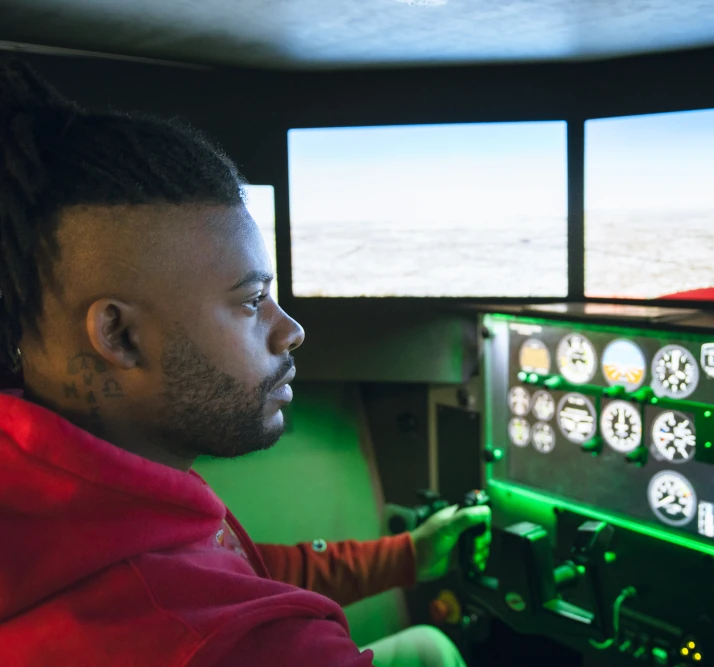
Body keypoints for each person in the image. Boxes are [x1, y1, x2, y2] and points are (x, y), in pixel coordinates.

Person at [0, 59, 490, 667]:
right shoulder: (256, 647)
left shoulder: (47, 469)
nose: (291, 331)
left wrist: (405, 556)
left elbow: (230, 563)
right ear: (120, 336)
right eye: (252, 301)